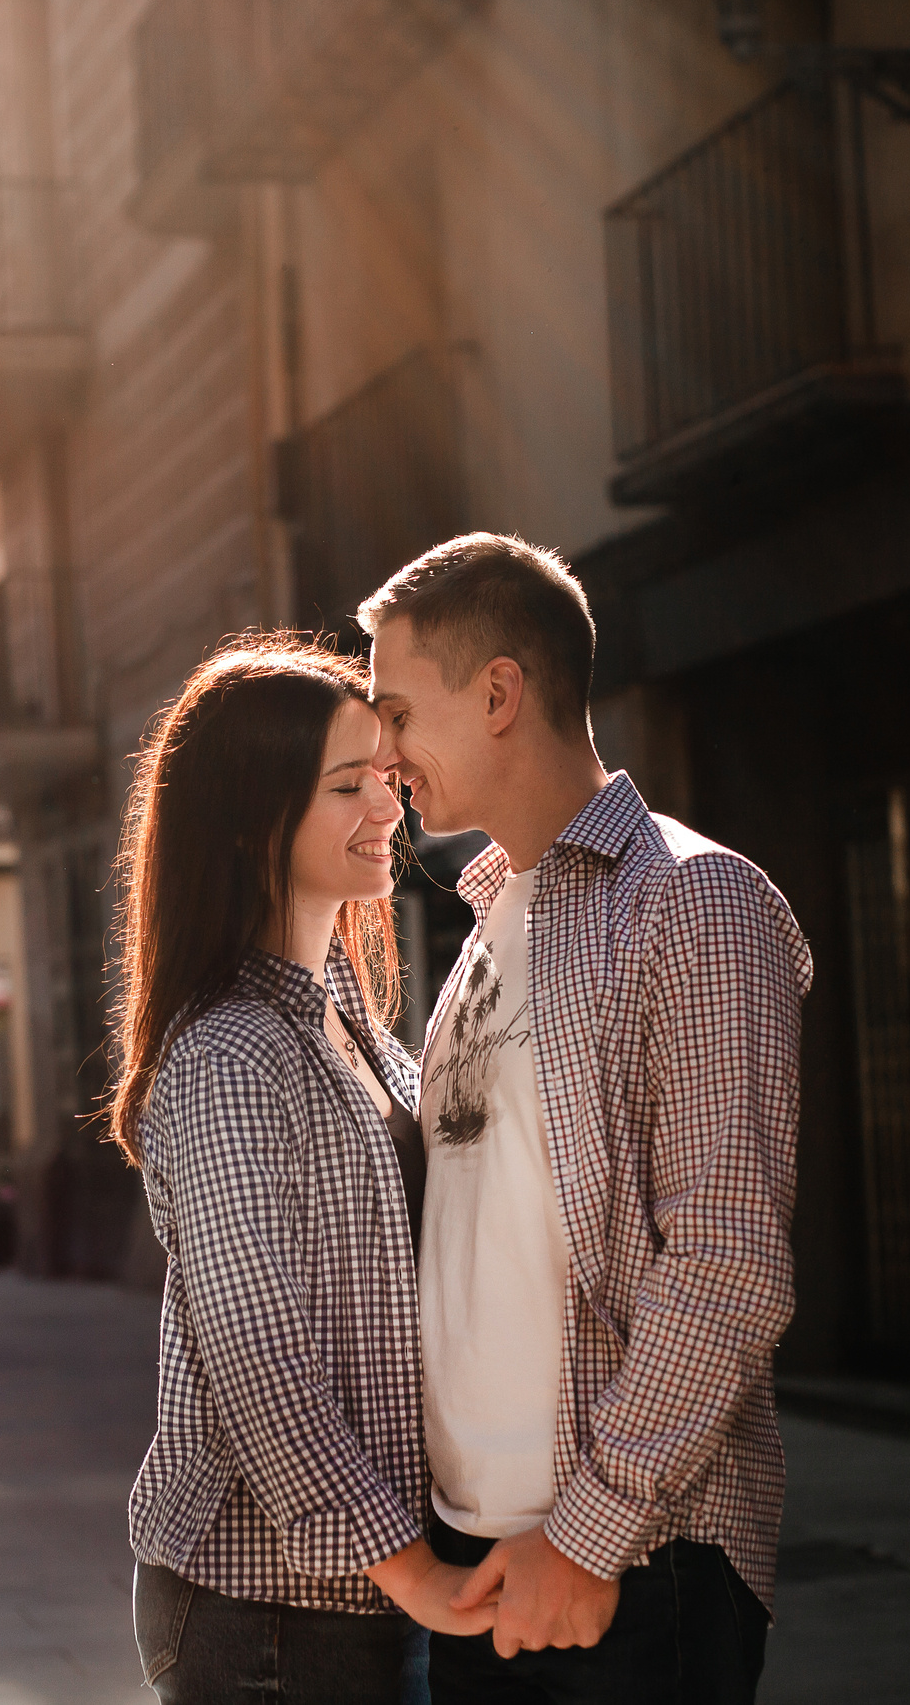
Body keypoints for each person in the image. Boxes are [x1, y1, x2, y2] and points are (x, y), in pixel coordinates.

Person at [363, 534, 813, 1703]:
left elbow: (728, 1267)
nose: (383, 749)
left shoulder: (690, 901)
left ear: (500, 693)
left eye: (399, 711)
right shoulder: (481, 930)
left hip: (629, 1566)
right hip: (484, 1567)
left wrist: (583, 1534)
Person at [115, 638, 492, 1702]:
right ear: (248, 818)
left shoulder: (349, 1023)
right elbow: (256, 1350)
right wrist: (406, 1565)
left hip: (361, 1596)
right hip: (270, 1612)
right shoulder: (230, 1052)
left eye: (387, 774)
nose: (389, 807)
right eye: (346, 786)